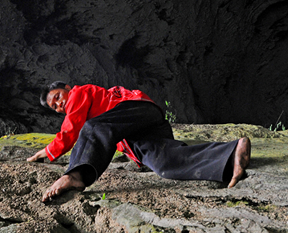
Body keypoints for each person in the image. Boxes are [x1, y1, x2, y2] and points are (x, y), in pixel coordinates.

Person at [26, 81, 250, 202]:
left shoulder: (79, 94)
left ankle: (75, 177)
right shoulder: (106, 123)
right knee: (164, 164)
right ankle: (230, 154)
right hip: (140, 132)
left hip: (137, 110)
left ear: (67, 88)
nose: (59, 105)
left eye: (58, 97)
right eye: (55, 107)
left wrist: (46, 151)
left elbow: (71, 129)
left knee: (93, 127)